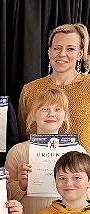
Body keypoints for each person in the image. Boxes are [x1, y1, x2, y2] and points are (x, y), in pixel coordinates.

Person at [19, 24, 90, 153]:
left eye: (70, 49)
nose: (62, 54)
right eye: (57, 48)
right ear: (49, 52)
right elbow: (24, 135)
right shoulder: (30, 90)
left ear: (80, 54)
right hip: (37, 171)